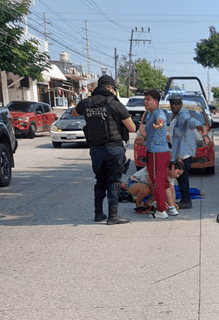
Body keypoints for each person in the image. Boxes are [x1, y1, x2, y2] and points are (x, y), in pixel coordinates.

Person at [73, 74, 135, 224]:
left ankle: (98, 214)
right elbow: (132, 127)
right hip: (113, 148)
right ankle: (113, 216)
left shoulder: (86, 103)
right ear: (109, 88)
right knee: (114, 181)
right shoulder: (114, 104)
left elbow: (75, 112)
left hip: (96, 150)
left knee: (100, 181)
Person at [168, 96, 208, 209]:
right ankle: (185, 199)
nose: (174, 106)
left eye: (177, 103)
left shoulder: (183, 115)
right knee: (181, 179)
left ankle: (186, 200)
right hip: (179, 152)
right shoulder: (175, 115)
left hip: (183, 153)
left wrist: (197, 124)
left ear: (181, 104)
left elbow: (189, 121)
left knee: (182, 178)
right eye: (172, 103)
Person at [138, 90, 171, 220]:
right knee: (162, 180)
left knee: (157, 182)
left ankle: (161, 210)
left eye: (148, 99)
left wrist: (159, 125)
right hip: (159, 152)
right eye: (144, 99)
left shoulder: (157, 112)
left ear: (155, 102)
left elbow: (160, 120)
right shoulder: (150, 113)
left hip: (157, 153)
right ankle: (171, 207)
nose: (145, 101)